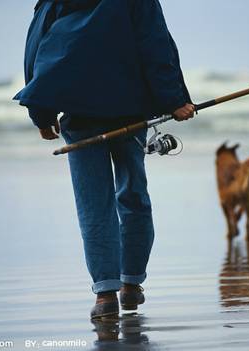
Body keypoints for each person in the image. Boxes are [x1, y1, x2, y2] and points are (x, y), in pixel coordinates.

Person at [13, 0, 194, 319]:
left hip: (79, 112)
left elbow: (35, 51)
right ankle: (131, 284)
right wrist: (175, 99)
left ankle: (105, 293)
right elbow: (155, 44)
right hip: (130, 109)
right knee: (133, 194)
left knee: (94, 204)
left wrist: (41, 114)